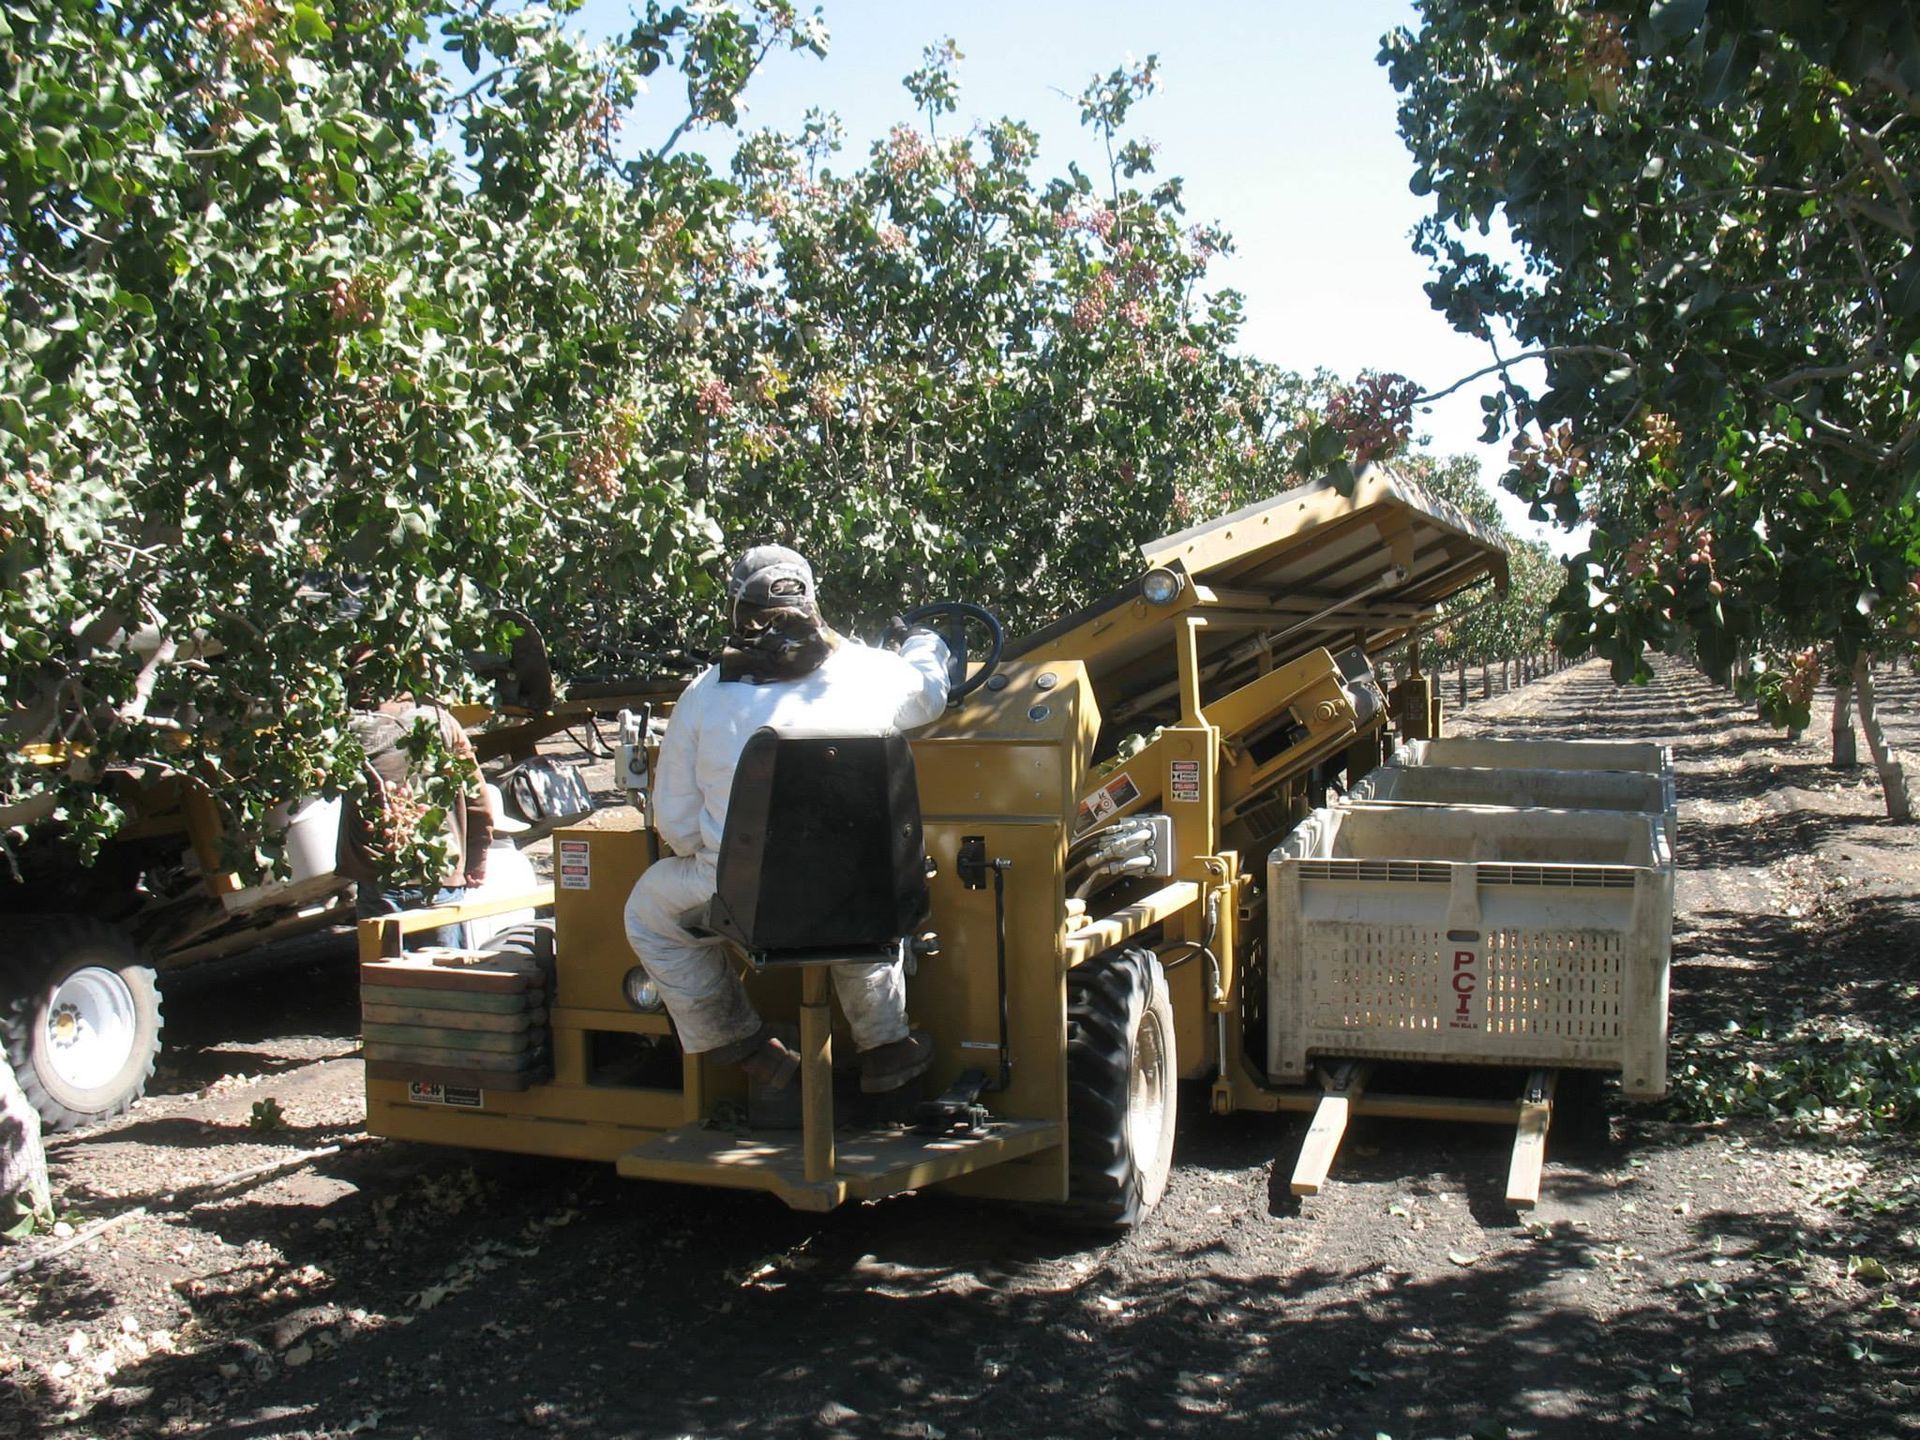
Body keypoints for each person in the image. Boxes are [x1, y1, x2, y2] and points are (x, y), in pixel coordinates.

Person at [624, 545, 951, 1092]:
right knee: (861, 893)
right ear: (812, 600)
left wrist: (720, 858)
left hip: (742, 896)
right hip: (855, 893)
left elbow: (674, 823)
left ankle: (742, 1042)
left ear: (736, 610)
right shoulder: (873, 673)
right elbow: (931, 694)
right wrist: (927, 645)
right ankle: (886, 1046)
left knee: (647, 911)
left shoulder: (704, 695)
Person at [337, 652, 495, 949]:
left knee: (388, 981)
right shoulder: (442, 722)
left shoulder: (348, 730)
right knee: (444, 978)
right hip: (441, 877)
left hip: (379, 879)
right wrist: (477, 861)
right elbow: (478, 800)